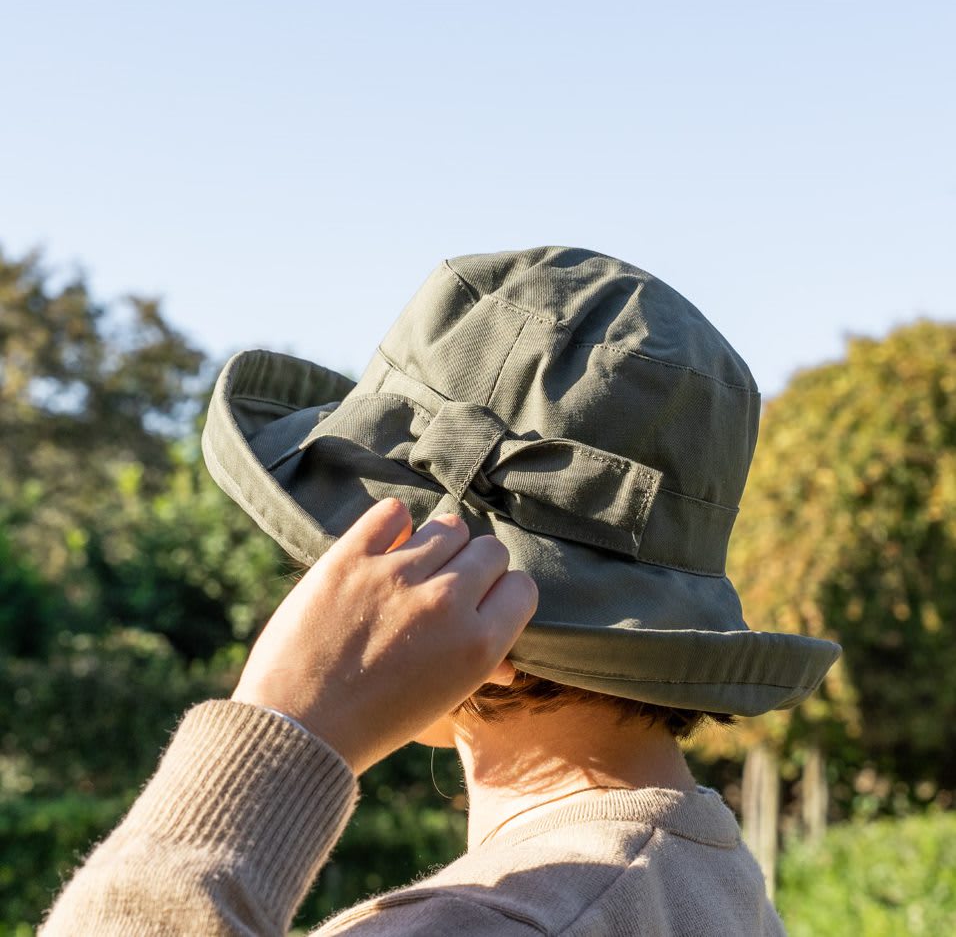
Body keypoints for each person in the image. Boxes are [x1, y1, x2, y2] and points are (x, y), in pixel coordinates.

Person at [41, 247, 841, 935]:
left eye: (355, 554)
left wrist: (277, 727)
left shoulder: (487, 922)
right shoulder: (707, 873)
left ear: (474, 622)